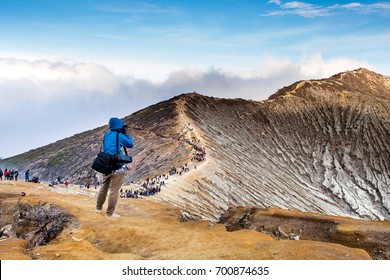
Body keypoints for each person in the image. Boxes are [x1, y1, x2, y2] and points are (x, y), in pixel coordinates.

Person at [95, 117, 134, 217]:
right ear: (119, 125)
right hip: (117, 167)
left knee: (103, 188)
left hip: (105, 165)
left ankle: (98, 208)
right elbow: (130, 144)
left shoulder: (106, 134)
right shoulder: (120, 135)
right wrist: (127, 135)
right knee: (114, 191)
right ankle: (109, 213)